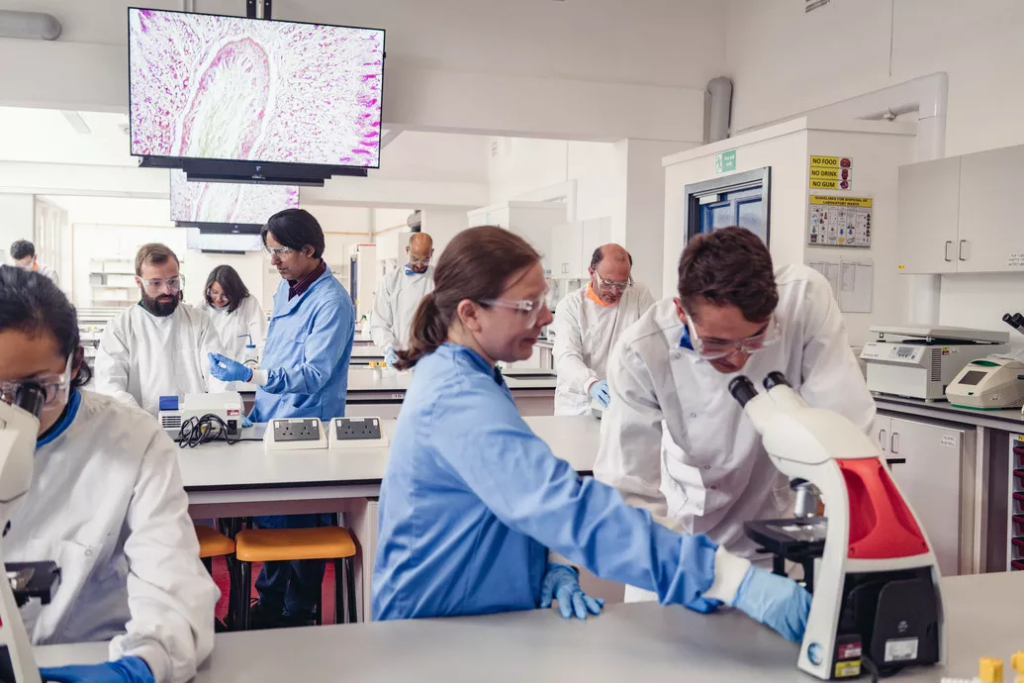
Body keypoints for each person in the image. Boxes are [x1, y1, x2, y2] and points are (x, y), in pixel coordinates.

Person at [371, 226, 810, 642]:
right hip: (434, 633)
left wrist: (549, 561)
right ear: (470, 313)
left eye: (543, 300)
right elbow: (565, 508)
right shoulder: (458, 398)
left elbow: (508, 501)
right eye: (527, 305)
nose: (545, 317)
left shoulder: (470, 374)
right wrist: (727, 579)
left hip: (472, 619)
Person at [595, 227, 875, 602]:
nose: (738, 358)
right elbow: (627, 492)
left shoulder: (804, 300)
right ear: (681, 311)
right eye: (715, 343)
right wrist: (695, 569)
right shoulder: (641, 351)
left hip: (774, 542)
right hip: (678, 543)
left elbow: (848, 434)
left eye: (755, 339)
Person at [0, 266, 218, 683]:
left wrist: (138, 667)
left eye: (32, 392)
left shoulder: (133, 443)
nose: (9, 415)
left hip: (96, 652)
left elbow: (172, 590)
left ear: (74, 362)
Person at [208, 208, 355, 629]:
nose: (273, 261)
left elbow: (314, 374)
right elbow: (279, 352)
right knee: (273, 520)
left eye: (281, 251)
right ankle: (269, 604)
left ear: (309, 249)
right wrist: (254, 391)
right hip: (272, 416)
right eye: (270, 251)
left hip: (308, 423)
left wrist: (250, 376)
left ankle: (296, 612)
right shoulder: (286, 288)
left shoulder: (332, 302)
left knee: (300, 521)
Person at [94, 244, 218, 417]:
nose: (167, 290)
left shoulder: (199, 321)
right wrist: (142, 421)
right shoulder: (120, 328)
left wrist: (226, 407)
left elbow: (217, 375)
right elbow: (110, 386)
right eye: (156, 283)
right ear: (139, 282)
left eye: (173, 281)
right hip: (139, 431)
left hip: (195, 428)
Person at [553, 243, 654, 415]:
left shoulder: (638, 295)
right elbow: (566, 356)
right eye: (607, 283)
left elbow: (654, 340)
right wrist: (591, 383)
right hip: (579, 407)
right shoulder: (571, 305)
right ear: (592, 273)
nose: (614, 291)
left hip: (624, 404)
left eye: (622, 284)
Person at [370, 232, 435, 368]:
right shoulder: (390, 281)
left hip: (431, 359)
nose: (419, 264)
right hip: (400, 358)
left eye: (425, 260)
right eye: (415, 258)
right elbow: (379, 322)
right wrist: (388, 347)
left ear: (432, 253)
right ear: (407, 250)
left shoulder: (439, 279)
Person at [199, 265, 268, 383]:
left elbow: (262, 340)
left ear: (235, 292)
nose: (219, 298)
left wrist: (263, 374)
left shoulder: (248, 304)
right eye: (214, 292)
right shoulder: (203, 307)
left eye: (225, 294)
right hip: (209, 377)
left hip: (240, 376)